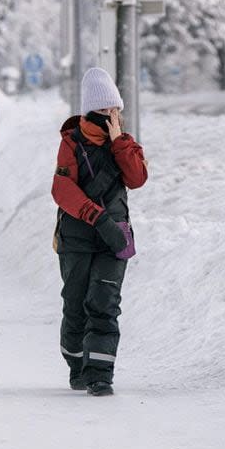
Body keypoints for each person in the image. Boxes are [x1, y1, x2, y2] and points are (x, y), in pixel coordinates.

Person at [51, 67, 148, 396]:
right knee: (76, 305)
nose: (113, 116)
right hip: (77, 239)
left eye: (117, 110)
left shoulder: (124, 143)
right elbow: (61, 190)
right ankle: (76, 362)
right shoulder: (71, 143)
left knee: (104, 304)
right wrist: (97, 216)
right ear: (91, 110)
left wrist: (119, 141)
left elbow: (137, 178)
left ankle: (100, 375)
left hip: (115, 239)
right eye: (107, 111)